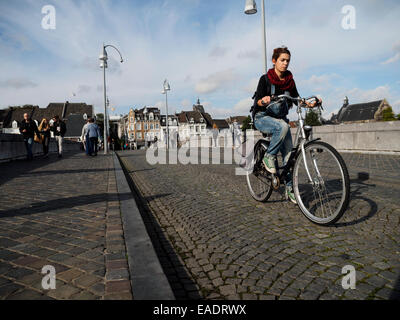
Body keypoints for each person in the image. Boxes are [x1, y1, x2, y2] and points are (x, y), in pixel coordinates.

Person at [253, 46, 320, 204]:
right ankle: (268, 156)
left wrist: (310, 104)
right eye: (282, 60)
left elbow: (297, 99)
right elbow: (257, 101)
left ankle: (290, 189)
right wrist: (264, 100)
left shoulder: (290, 81)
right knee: (283, 127)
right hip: (262, 117)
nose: (285, 63)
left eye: (288, 61)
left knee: (289, 156)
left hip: (280, 119)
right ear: (274, 61)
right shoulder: (265, 79)